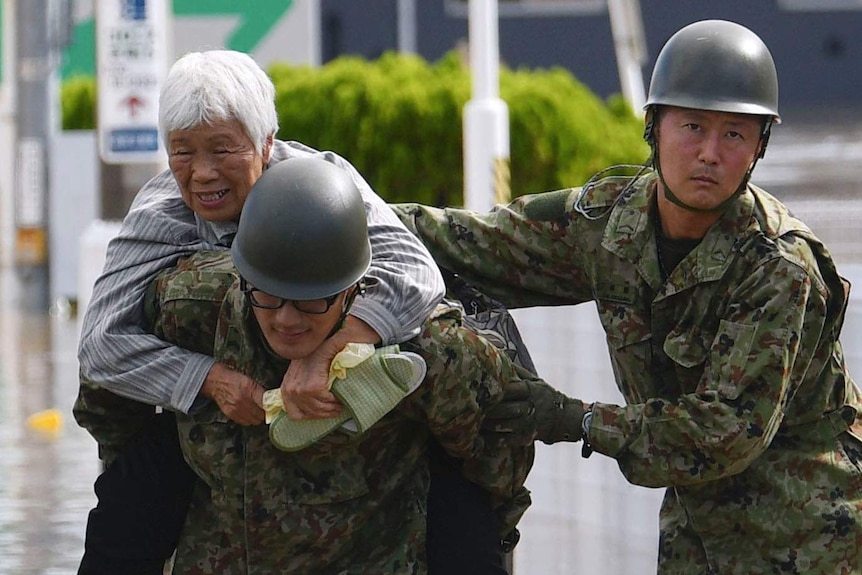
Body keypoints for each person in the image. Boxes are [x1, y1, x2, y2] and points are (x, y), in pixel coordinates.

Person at [392, 19, 862, 574]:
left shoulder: (778, 266)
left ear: (759, 147)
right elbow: (474, 243)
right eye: (692, 126)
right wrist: (334, 210)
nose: (710, 153)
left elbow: (724, 431)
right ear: (654, 128)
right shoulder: (612, 222)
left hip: (808, 534)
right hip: (698, 531)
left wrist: (575, 419)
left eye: (734, 134)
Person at [73, 49, 512, 575]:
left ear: (266, 143)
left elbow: (416, 274)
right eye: (183, 152)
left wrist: (336, 348)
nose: (203, 173)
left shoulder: (321, 186)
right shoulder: (162, 212)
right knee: (127, 511)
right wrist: (208, 380)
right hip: (214, 422)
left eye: (222, 149)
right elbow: (101, 343)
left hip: (366, 433)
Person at [142, 155, 533, 573]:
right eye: (267, 295)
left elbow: (504, 425)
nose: (286, 319)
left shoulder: (427, 351)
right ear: (240, 278)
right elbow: (111, 395)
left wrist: (464, 532)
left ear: (353, 289)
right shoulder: (189, 313)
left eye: (312, 300)